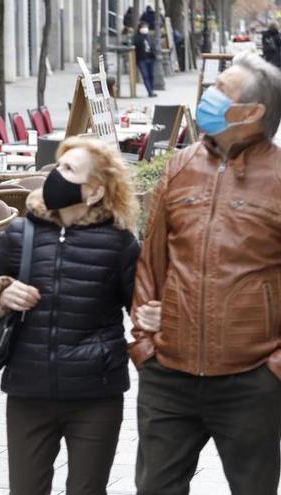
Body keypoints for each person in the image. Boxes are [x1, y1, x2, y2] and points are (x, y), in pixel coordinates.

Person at [131, 52, 281, 494]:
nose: (208, 97)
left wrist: (274, 368)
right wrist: (144, 344)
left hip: (251, 380)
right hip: (168, 377)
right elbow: (150, 263)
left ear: (252, 112)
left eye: (222, 92)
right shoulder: (179, 168)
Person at [0, 137, 140, 495]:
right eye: (58, 165)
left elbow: (140, 308)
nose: (54, 175)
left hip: (96, 394)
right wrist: (0, 292)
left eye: (68, 170)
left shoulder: (120, 243)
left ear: (93, 192)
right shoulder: (21, 233)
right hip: (28, 390)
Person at [134, 22, 158, 97]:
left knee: (151, 75)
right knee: (145, 75)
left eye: (146, 27)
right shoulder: (137, 37)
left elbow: (153, 45)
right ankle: (149, 91)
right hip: (142, 59)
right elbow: (134, 44)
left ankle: (151, 90)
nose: (145, 29)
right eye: (143, 27)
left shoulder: (149, 37)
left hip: (150, 58)